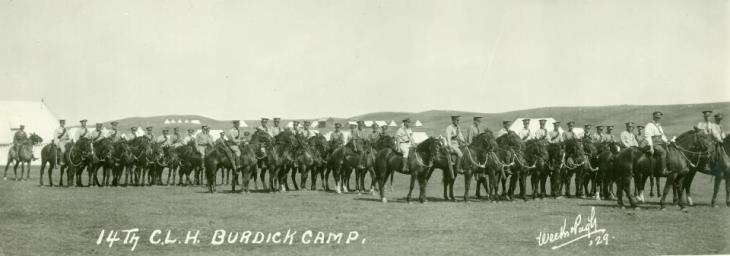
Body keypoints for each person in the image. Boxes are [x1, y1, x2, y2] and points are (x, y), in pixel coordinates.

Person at [645, 111, 670, 176]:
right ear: (653, 117)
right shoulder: (649, 125)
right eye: (656, 117)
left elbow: (662, 136)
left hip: (660, 143)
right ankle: (663, 170)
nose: (658, 119)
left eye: (659, 118)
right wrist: (651, 147)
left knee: (670, 150)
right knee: (663, 153)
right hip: (654, 144)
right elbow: (648, 136)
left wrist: (667, 141)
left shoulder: (659, 126)